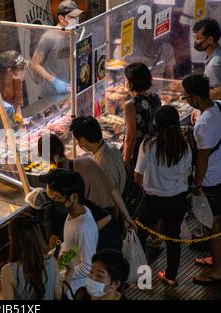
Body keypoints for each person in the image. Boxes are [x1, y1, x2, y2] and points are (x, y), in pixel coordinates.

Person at [134, 106, 192, 287]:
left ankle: (143, 277)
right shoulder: (185, 147)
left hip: (152, 200)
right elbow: (186, 174)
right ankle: (171, 275)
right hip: (177, 199)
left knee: (141, 235)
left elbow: (138, 174)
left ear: (156, 125)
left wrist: (144, 188)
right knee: (172, 237)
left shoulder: (148, 145)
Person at [38, 133, 136, 231]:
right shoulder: (87, 162)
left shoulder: (64, 186)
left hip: (95, 225)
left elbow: (80, 240)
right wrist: (127, 217)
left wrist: (72, 245)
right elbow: (113, 190)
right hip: (111, 217)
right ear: (62, 147)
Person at [182, 74, 221, 285]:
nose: (186, 102)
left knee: (214, 225)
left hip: (213, 179)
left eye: (186, 98)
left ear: (195, 97)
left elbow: (202, 159)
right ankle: (217, 259)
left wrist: (197, 184)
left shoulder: (203, 124)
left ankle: (217, 270)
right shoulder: (219, 106)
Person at [44, 169, 98, 294]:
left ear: (73, 196)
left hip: (73, 287)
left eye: (58, 197)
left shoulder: (84, 228)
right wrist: (51, 256)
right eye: (53, 197)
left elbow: (87, 267)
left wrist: (61, 275)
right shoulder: (72, 215)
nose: (55, 202)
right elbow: (71, 246)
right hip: (65, 271)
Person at [0, 212, 67, 300]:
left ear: (12, 239)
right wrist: (70, 271)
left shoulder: (7, 271)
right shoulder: (52, 261)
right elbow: (58, 295)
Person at [31, 0, 83, 98]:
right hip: (50, 92)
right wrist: (54, 81)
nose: (76, 19)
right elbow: (34, 64)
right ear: (61, 18)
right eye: (72, 17)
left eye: (76, 16)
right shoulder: (49, 37)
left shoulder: (75, 35)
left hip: (69, 91)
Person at [70, 116, 127, 194]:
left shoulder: (102, 164)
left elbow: (109, 197)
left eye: (77, 139)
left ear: (82, 140)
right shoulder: (112, 147)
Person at [122, 63, 162, 173]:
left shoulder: (131, 105)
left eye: (126, 79)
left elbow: (131, 137)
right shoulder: (155, 97)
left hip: (139, 151)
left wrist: (126, 160)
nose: (124, 82)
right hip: (154, 147)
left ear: (131, 83)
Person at [190, 18, 221, 124]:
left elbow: (218, 92)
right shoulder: (215, 54)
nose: (195, 42)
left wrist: (197, 101)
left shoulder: (214, 64)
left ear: (210, 40)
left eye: (198, 38)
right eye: (195, 38)